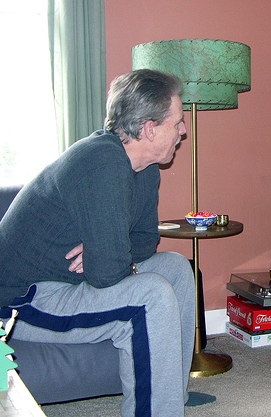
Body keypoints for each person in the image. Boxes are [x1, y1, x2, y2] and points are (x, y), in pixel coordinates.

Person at [0, 69, 195, 417]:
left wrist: (110, 252)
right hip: (26, 299)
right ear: (150, 129)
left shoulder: (145, 168)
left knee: (177, 268)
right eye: (177, 121)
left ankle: (170, 400)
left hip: (68, 283)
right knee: (150, 294)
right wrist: (107, 255)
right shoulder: (102, 161)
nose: (183, 130)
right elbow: (106, 274)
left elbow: (146, 241)